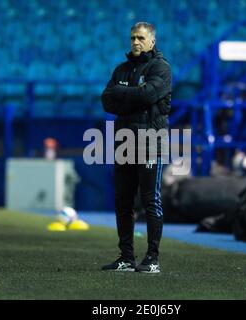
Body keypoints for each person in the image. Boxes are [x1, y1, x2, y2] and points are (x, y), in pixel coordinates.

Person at [101, 22, 172, 273]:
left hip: (150, 140)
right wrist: (135, 95)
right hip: (124, 142)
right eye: (132, 37)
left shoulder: (161, 68)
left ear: (152, 41)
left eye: (141, 38)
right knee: (122, 201)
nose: (135, 42)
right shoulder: (121, 68)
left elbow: (147, 95)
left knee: (150, 199)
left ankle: (152, 258)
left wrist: (124, 93)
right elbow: (107, 101)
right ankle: (126, 258)